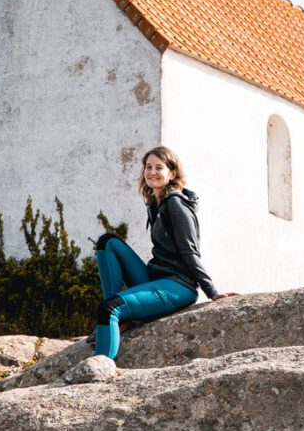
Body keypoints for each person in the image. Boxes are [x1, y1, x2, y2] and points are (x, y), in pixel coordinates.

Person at [89, 145, 235, 363]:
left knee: (110, 309)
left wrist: (212, 292)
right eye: (148, 167)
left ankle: (100, 368)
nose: (152, 172)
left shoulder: (176, 204)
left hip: (178, 285)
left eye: (159, 167)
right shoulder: (155, 204)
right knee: (107, 242)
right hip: (156, 277)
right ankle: (117, 321)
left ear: (172, 173)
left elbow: (189, 251)